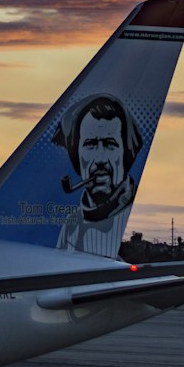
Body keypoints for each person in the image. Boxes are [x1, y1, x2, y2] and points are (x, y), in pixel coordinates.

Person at [54, 93, 143, 254]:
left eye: (110, 144)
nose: (100, 159)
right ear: (77, 157)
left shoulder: (127, 220)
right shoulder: (71, 224)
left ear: (126, 153)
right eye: (91, 145)